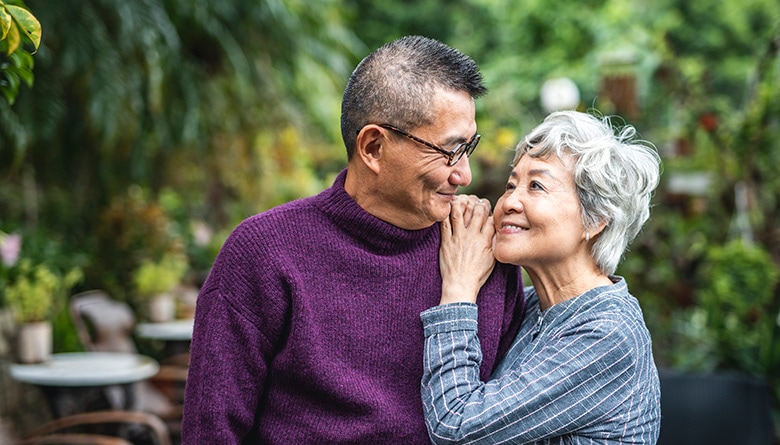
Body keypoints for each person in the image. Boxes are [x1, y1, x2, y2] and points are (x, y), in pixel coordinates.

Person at [181, 35, 525, 444]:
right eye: (449, 151)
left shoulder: (481, 250)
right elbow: (211, 431)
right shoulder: (264, 253)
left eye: (468, 147)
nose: (464, 175)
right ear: (373, 147)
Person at [421, 110, 662, 444]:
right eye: (511, 184)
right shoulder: (536, 306)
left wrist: (458, 289)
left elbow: (456, 426)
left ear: (595, 220)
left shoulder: (609, 334)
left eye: (536, 186)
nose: (509, 202)